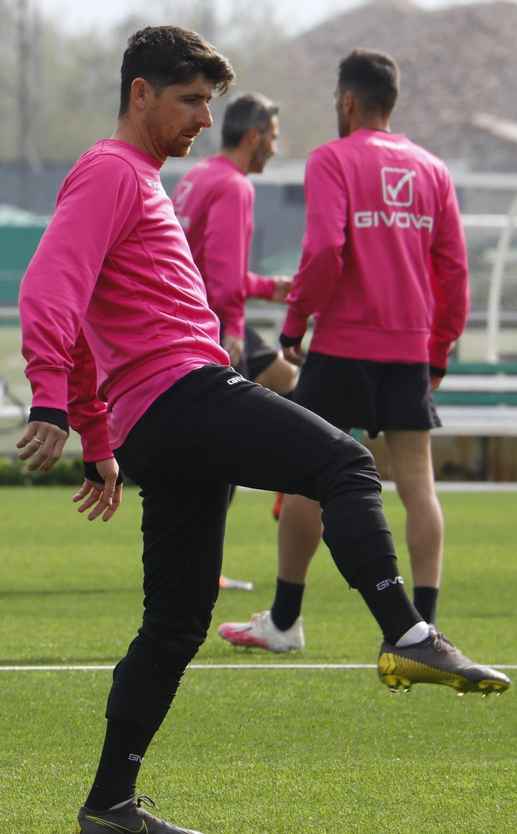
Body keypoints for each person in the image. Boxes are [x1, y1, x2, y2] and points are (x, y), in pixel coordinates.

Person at [16, 27, 508, 834]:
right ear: (140, 94)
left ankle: (108, 806)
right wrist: (49, 400)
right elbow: (51, 288)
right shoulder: (110, 170)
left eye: (209, 104)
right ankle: (409, 632)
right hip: (182, 393)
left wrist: (98, 437)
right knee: (346, 464)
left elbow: (94, 317)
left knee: (174, 624)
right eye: (189, 102)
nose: (204, 122)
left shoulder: (137, 178)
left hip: (154, 414)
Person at [216, 49, 469, 654]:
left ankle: (284, 620)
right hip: (409, 346)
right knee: (417, 485)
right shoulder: (432, 170)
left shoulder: (332, 160)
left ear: (347, 101)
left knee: (309, 478)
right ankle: (424, 629)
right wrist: (439, 348)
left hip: (345, 341)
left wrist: (296, 324)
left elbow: (326, 250)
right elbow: (454, 269)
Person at [172, 91, 294, 590]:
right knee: (219, 448)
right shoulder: (235, 187)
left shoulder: (200, 174)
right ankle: (292, 481)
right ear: (253, 136)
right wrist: (236, 332)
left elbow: (206, 261)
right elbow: (220, 282)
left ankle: (292, 484)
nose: (275, 149)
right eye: (273, 139)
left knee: (288, 382)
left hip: (187, 313)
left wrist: (268, 287)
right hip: (212, 322)